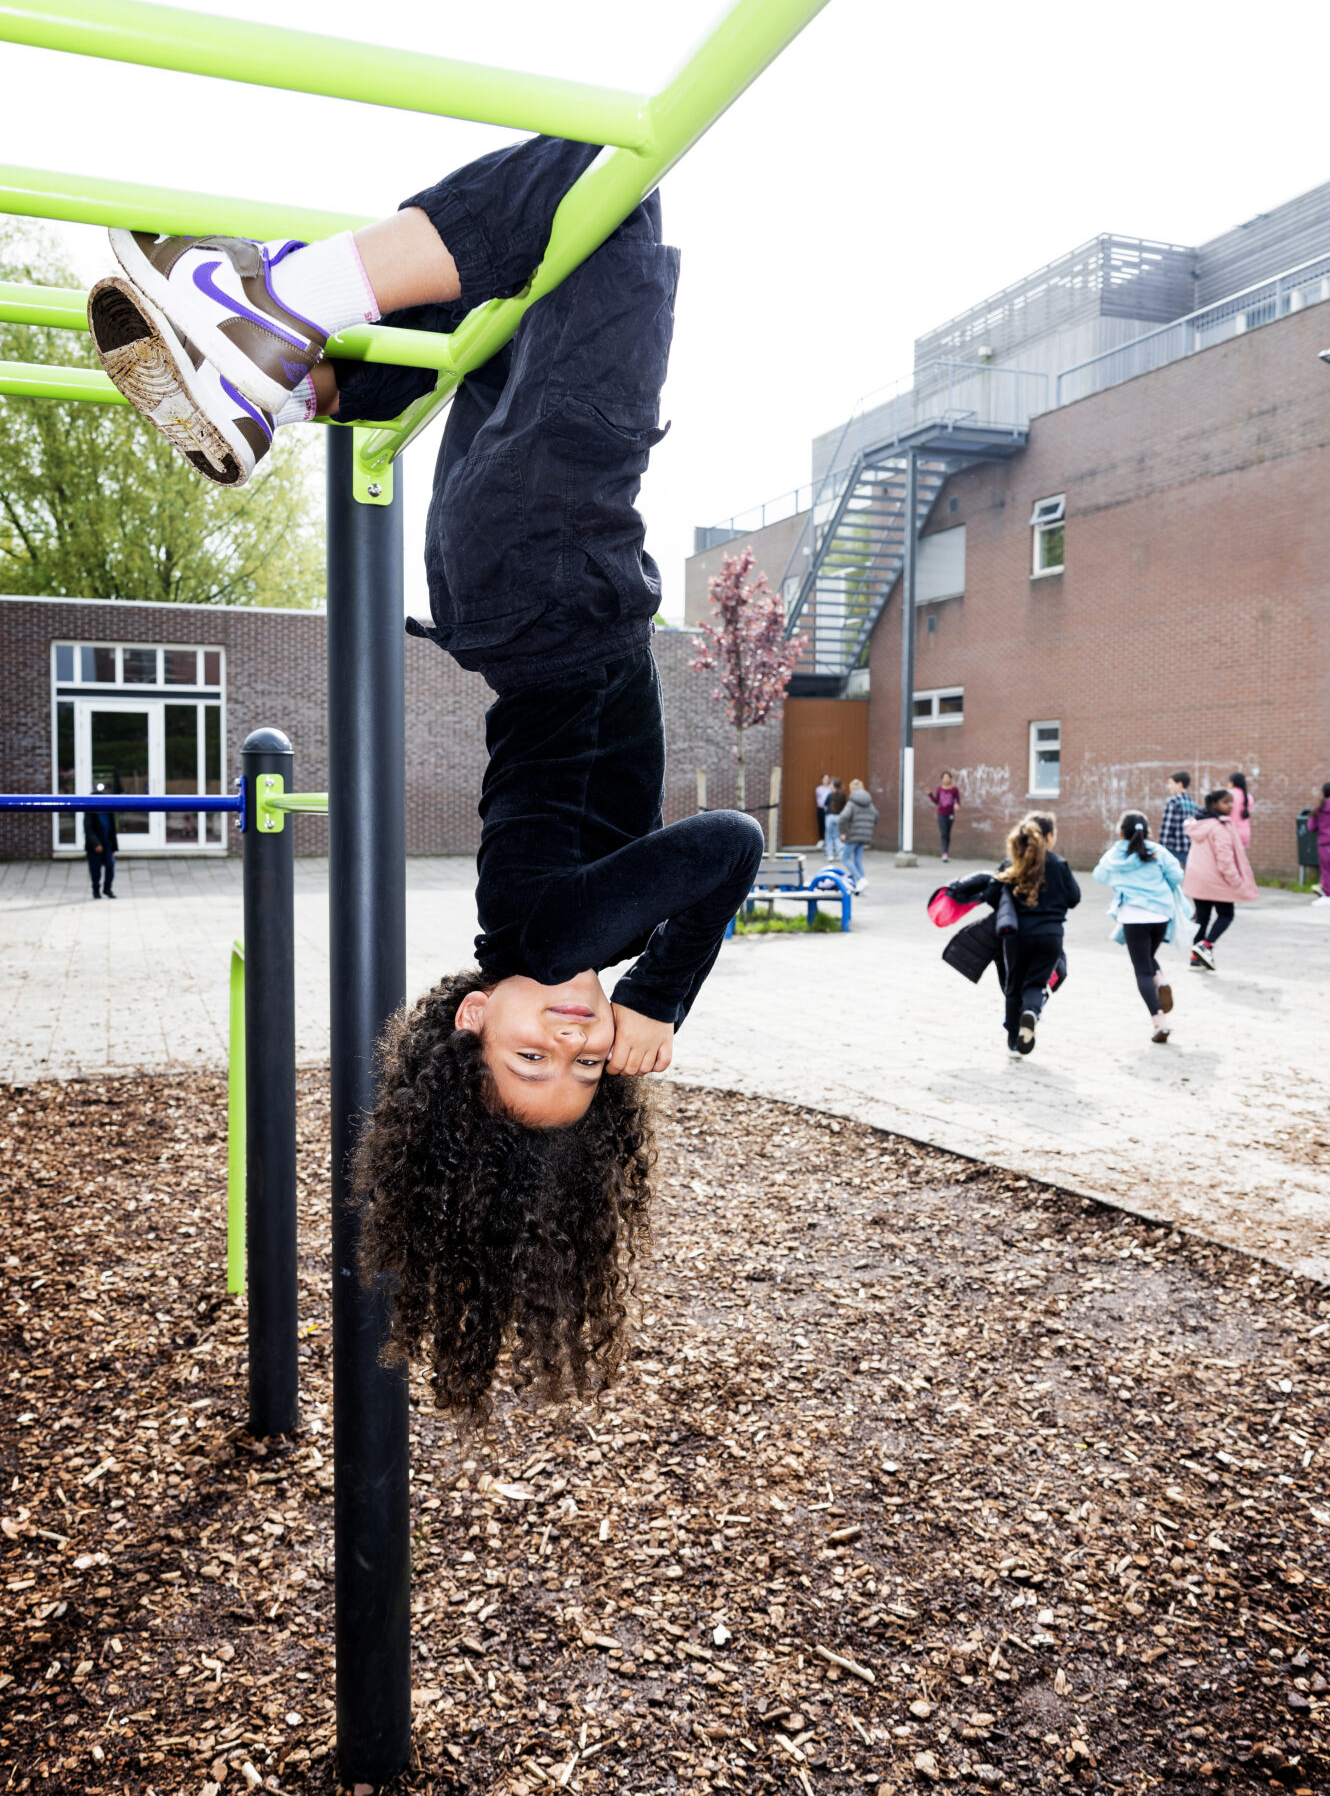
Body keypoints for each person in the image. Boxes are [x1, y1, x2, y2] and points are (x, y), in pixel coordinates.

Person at [87, 135, 764, 1414]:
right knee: (530, 276)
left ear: (470, 1024)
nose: (570, 1046)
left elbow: (729, 845)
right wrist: (632, 986)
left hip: (548, 565)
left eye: (530, 1063)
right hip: (511, 579)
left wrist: (663, 1002)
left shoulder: (560, 932)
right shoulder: (551, 931)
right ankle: (325, 380)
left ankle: (269, 305)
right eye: (578, 1076)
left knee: (606, 186)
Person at [948, 814, 1081, 1054]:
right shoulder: (1059, 864)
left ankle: (1012, 1040)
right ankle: (1031, 1012)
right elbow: (1074, 899)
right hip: (1050, 936)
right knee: (1036, 983)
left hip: (1016, 936)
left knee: (1014, 984)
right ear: (1046, 838)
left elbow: (991, 897)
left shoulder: (1010, 864)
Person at [1092, 813, 1187, 1044]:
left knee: (1142, 969)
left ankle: (1160, 1023)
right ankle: (1161, 979)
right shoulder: (1157, 851)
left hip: (1134, 916)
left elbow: (1099, 876)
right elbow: (1177, 875)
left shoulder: (1116, 854)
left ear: (1121, 832)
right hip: (1161, 914)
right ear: (1147, 831)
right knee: (1148, 958)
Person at [1184, 788, 1258, 970]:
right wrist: (1237, 883)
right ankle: (1206, 946)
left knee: (1202, 918)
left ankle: (1196, 957)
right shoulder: (1220, 827)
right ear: (1213, 804)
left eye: (1231, 802)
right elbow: (1225, 861)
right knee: (1226, 914)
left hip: (1198, 879)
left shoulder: (1199, 824)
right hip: (1217, 881)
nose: (1230, 805)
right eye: (1226, 802)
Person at [837, 778, 879, 891]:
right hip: (864, 836)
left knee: (844, 858)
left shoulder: (852, 804)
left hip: (853, 835)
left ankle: (861, 879)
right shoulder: (869, 804)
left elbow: (842, 818)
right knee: (857, 860)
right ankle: (861, 883)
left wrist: (843, 832)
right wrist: (867, 827)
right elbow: (876, 817)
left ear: (852, 790)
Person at [83, 786, 118, 900]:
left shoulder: (108, 810)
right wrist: (95, 844)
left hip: (107, 843)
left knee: (110, 866)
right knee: (95, 870)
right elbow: (88, 828)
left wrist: (113, 845)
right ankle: (96, 890)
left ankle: (107, 888)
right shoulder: (90, 811)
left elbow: (112, 828)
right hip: (95, 846)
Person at [1159, 770, 1198, 868]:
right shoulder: (1192, 802)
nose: (1169, 787)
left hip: (1173, 848)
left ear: (1179, 784)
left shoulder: (1173, 801)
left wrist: (1161, 848)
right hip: (1189, 847)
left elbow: (1167, 827)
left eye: (1171, 784)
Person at [927, 770, 961, 862]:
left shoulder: (954, 789)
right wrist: (930, 794)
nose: (946, 779)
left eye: (948, 777)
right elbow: (936, 801)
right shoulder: (939, 789)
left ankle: (946, 852)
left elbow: (958, 800)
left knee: (948, 833)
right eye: (944, 778)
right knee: (944, 833)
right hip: (941, 814)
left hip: (950, 814)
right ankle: (944, 853)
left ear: (950, 779)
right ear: (942, 779)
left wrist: (957, 804)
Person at [1309, 783, 1330, 899]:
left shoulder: (1318, 808)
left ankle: (1327, 893)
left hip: (1324, 844)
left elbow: (1311, 827)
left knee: (1326, 871)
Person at [824, 777, 847, 862]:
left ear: (833, 785)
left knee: (829, 836)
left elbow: (825, 805)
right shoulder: (843, 795)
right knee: (838, 836)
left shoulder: (830, 795)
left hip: (830, 817)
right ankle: (840, 853)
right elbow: (845, 806)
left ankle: (830, 855)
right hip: (839, 817)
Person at [1228, 771, 1254, 847]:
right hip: (1244, 835)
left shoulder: (1229, 795)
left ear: (1232, 783)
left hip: (1231, 834)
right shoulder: (1249, 797)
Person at [815, 774, 831, 846]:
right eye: (825, 778)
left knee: (829, 825)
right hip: (821, 808)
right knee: (821, 824)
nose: (826, 780)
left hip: (829, 809)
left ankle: (829, 841)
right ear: (822, 779)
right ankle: (821, 840)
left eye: (827, 778)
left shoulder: (831, 788)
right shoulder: (819, 789)